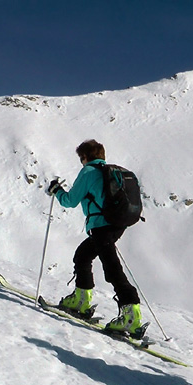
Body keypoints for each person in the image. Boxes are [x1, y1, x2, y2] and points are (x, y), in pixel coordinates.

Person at [45, 139, 143, 335]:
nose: (80, 161)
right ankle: (81, 299)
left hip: (101, 226)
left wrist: (56, 191)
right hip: (118, 224)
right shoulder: (111, 172)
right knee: (83, 255)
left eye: (81, 157)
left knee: (112, 267)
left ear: (85, 157)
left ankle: (130, 314)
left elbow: (70, 201)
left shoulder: (89, 172)